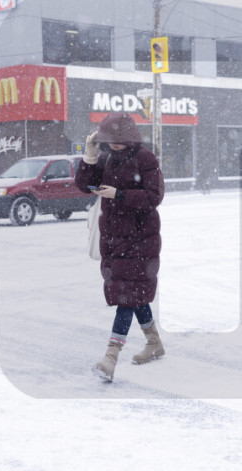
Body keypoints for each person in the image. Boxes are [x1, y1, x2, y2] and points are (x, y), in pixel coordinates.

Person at [74, 113, 165, 381]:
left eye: (116, 141)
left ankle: (110, 358)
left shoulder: (145, 158)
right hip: (113, 239)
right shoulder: (106, 157)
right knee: (133, 294)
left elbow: (154, 196)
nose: (112, 146)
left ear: (129, 138)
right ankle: (154, 343)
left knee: (127, 296)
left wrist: (120, 194)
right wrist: (89, 157)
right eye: (107, 141)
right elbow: (84, 186)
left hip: (140, 239)